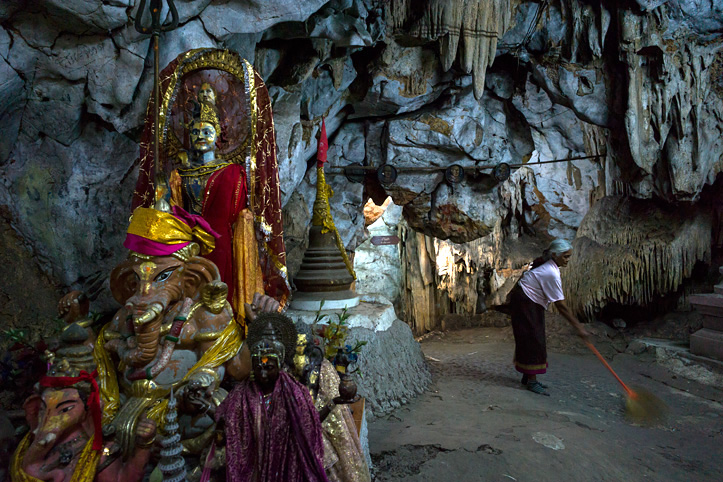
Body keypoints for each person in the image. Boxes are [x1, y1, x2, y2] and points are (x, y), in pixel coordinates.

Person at [215, 313, 329, 482]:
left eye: (268, 367)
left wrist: (331, 405)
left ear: (280, 365)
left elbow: (307, 429)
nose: (262, 373)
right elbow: (224, 420)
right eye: (258, 367)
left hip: (286, 469)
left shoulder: (296, 394)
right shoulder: (241, 394)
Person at [510, 238, 590, 396]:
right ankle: (532, 381)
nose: (568, 260)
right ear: (555, 255)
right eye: (565, 256)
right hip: (525, 301)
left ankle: (528, 376)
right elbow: (561, 306)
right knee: (533, 338)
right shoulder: (551, 272)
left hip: (528, 300)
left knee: (531, 336)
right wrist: (579, 328)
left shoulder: (550, 267)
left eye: (569, 256)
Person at [292, 323, 371, 482]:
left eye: (302, 345)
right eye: (295, 346)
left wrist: (315, 412)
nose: (299, 350)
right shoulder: (287, 367)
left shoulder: (322, 367)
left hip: (323, 419)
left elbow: (332, 398)